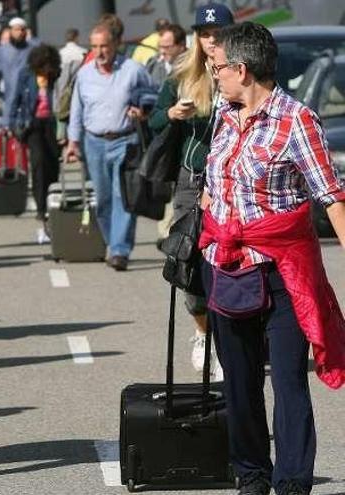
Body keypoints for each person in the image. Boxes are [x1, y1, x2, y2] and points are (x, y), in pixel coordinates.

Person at [200, 21, 345, 495]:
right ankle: (252, 475)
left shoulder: (297, 121)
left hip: (282, 272)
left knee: (287, 383)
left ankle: (292, 482)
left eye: (218, 67)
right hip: (226, 265)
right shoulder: (223, 112)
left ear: (242, 69)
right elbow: (215, 184)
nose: (213, 73)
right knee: (238, 385)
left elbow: (332, 196)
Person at [148, 2, 233, 381]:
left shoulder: (243, 71)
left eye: (217, 34)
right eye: (204, 34)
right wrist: (171, 115)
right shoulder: (183, 75)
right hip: (192, 179)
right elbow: (152, 120)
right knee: (189, 265)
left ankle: (235, 338)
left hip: (234, 181)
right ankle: (203, 333)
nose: (211, 41)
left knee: (232, 264)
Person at [65, 23, 153, 272]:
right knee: (103, 199)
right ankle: (110, 241)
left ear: (115, 44)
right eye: (94, 46)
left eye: (104, 46)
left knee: (123, 196)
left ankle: (119, 250)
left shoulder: (133, 69)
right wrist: (72, 141)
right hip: (94, 142)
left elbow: (153, 94)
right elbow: (76, 110)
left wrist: (142, 109)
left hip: (125, 140)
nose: (99, 52)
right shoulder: (84, 74)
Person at [11, 44, 61, 226]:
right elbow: (15, 99)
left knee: (53, 164)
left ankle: (52, 201)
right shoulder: (26, 74)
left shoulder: (56, 75)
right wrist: (11, 123)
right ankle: (41, 207)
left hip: (52, 124)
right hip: (32, 124)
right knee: (39, 163)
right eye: (43, 65)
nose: (46, 69)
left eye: (49, 65)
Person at [0, 17, 38, 130]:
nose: (20, 33)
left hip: (29, 102)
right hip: (7, 101)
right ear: (10, 31)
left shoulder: (33, 49)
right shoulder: (1, 51)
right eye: (16, 30)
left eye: (22, 30)